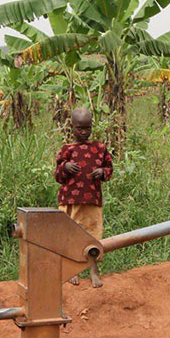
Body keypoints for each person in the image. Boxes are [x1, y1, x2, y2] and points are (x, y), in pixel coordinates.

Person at [55, 107, 113, 287]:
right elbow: (58, 176)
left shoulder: (99, 148)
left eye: (87, 128)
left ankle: (94, 270)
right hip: (70, 200)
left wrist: (101, 171)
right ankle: (73, 269)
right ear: (72, 127)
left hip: (92, 201)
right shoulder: (67, 150)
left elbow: (110, 170)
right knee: (71, 235)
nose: (84, 132)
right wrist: (65, 167)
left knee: (92, 235)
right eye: (80, 128)